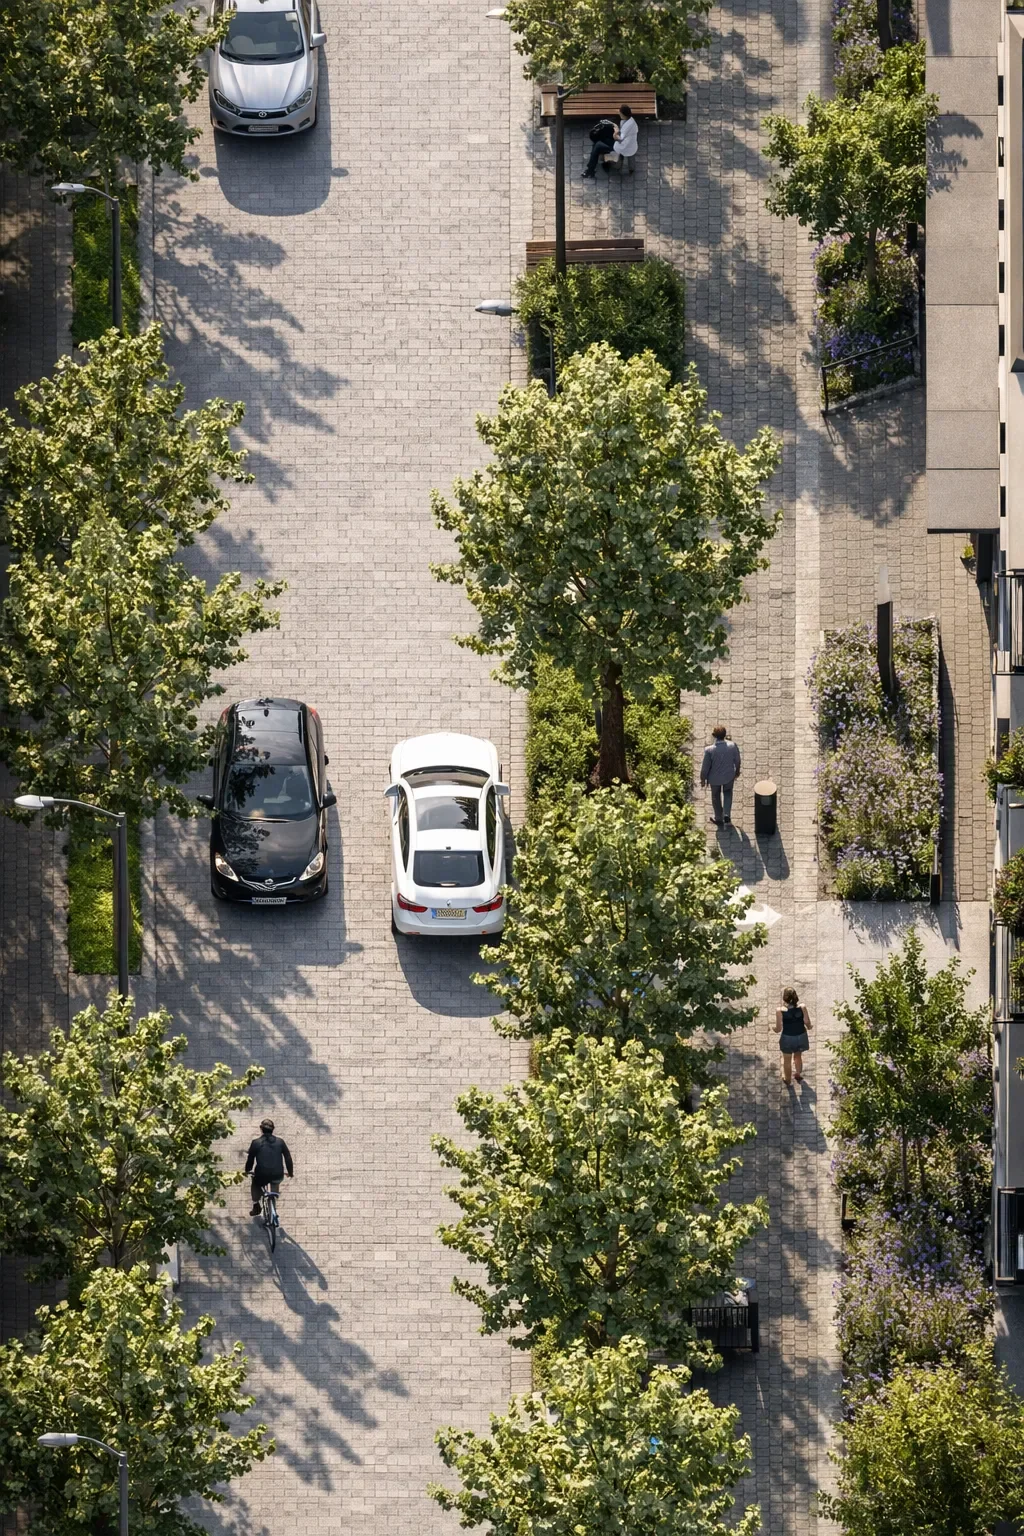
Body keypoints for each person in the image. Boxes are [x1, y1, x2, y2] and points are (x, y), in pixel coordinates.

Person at [245, 1118, 294, 1215]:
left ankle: (256, 1205)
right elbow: (288, 1158)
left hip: (261, 1175)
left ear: (261, 1128)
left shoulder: (256, 1143)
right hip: (278, 1174)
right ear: (273, 1129)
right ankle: (273, 1205)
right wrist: (290, 1173)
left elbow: (250, 1159)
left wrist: (247, 1170)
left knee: (255, 1183)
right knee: (275, 1182)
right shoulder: (280, 1142)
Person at [699, 724, 741, 826]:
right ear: (725, 735)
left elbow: (705, 768)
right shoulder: (732, 746)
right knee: (727, 793)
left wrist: (703, 779)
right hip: (728, 776)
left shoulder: (709, 750)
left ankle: (718, 817)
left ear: (714, 735)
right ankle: (726, 814)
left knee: (715, 797)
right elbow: (738, 760)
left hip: (714, 779)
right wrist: (737, 772)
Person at [774, 987, 812, 1084]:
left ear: (784, 998)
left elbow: (778, 1029)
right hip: (800, 1036)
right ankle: (798, 1073)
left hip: (787, 1038)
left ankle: (787, 1079)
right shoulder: (802, 1007)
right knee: (798, 1056)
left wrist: (773, 1029)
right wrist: (809, 1026)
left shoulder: (780, 1011)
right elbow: (807, 1022)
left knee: (787, 1060)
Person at [604, 105, 638, 174]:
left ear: (623, 114)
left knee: (620, 157)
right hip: (632, 146)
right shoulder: (631, 122)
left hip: (624, 147)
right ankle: (631, 169)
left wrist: (615, 132)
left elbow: (619, 139)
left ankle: (618, 166)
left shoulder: (627, 126)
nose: (619, 114)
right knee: (631, 158)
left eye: (620, 113)